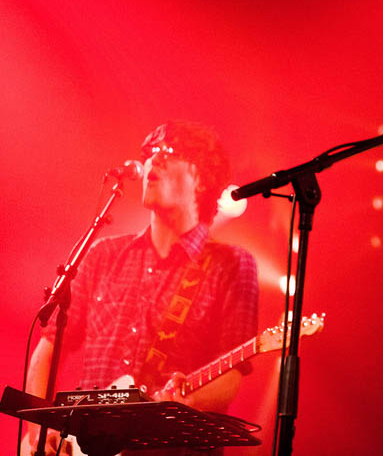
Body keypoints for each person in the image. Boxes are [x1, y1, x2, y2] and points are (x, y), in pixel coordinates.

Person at [23, 120, 259, 456]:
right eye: (151, 152)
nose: (154, 160)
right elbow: (50, 346)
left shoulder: (232, 265)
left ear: (203, 179)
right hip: (87, 446)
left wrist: (187, 400)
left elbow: (232, 376)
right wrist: (39, 430)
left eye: (170, 152)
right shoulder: (103, 254)